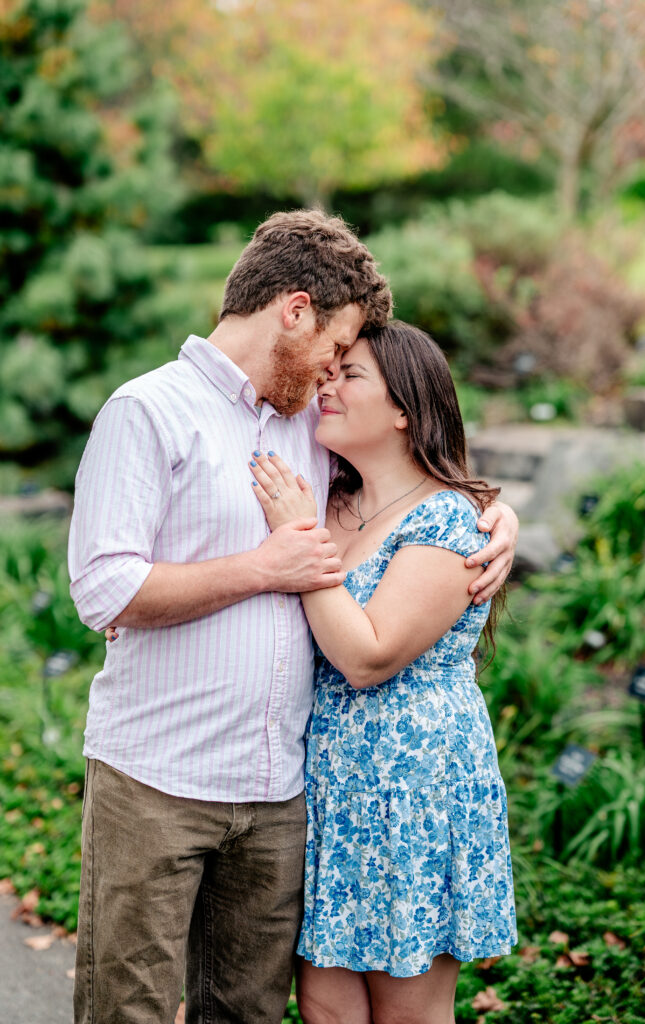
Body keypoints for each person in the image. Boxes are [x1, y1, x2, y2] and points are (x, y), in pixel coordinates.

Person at [69, 209, 518, 1024]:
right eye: (334, 349)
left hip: (283, 792)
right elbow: (102, 591)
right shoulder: (148, 412)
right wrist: (266, 566)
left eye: (347, 367)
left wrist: (492, 513)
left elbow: (417, 457)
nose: (331, 372)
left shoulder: (312, 426)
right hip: (159, 777)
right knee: (125, 1009)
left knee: (243, 1012)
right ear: (295, 311)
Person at [247, 321, 517, 1024]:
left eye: (351, 375)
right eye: (329, 373)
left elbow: (367, 656)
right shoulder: (325, 496)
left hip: (413, 791)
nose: (327, 384)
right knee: (327, 1009)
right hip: (330, 789)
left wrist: (299, 546)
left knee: (406, 1013)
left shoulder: (449, 522)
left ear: (404, 408)